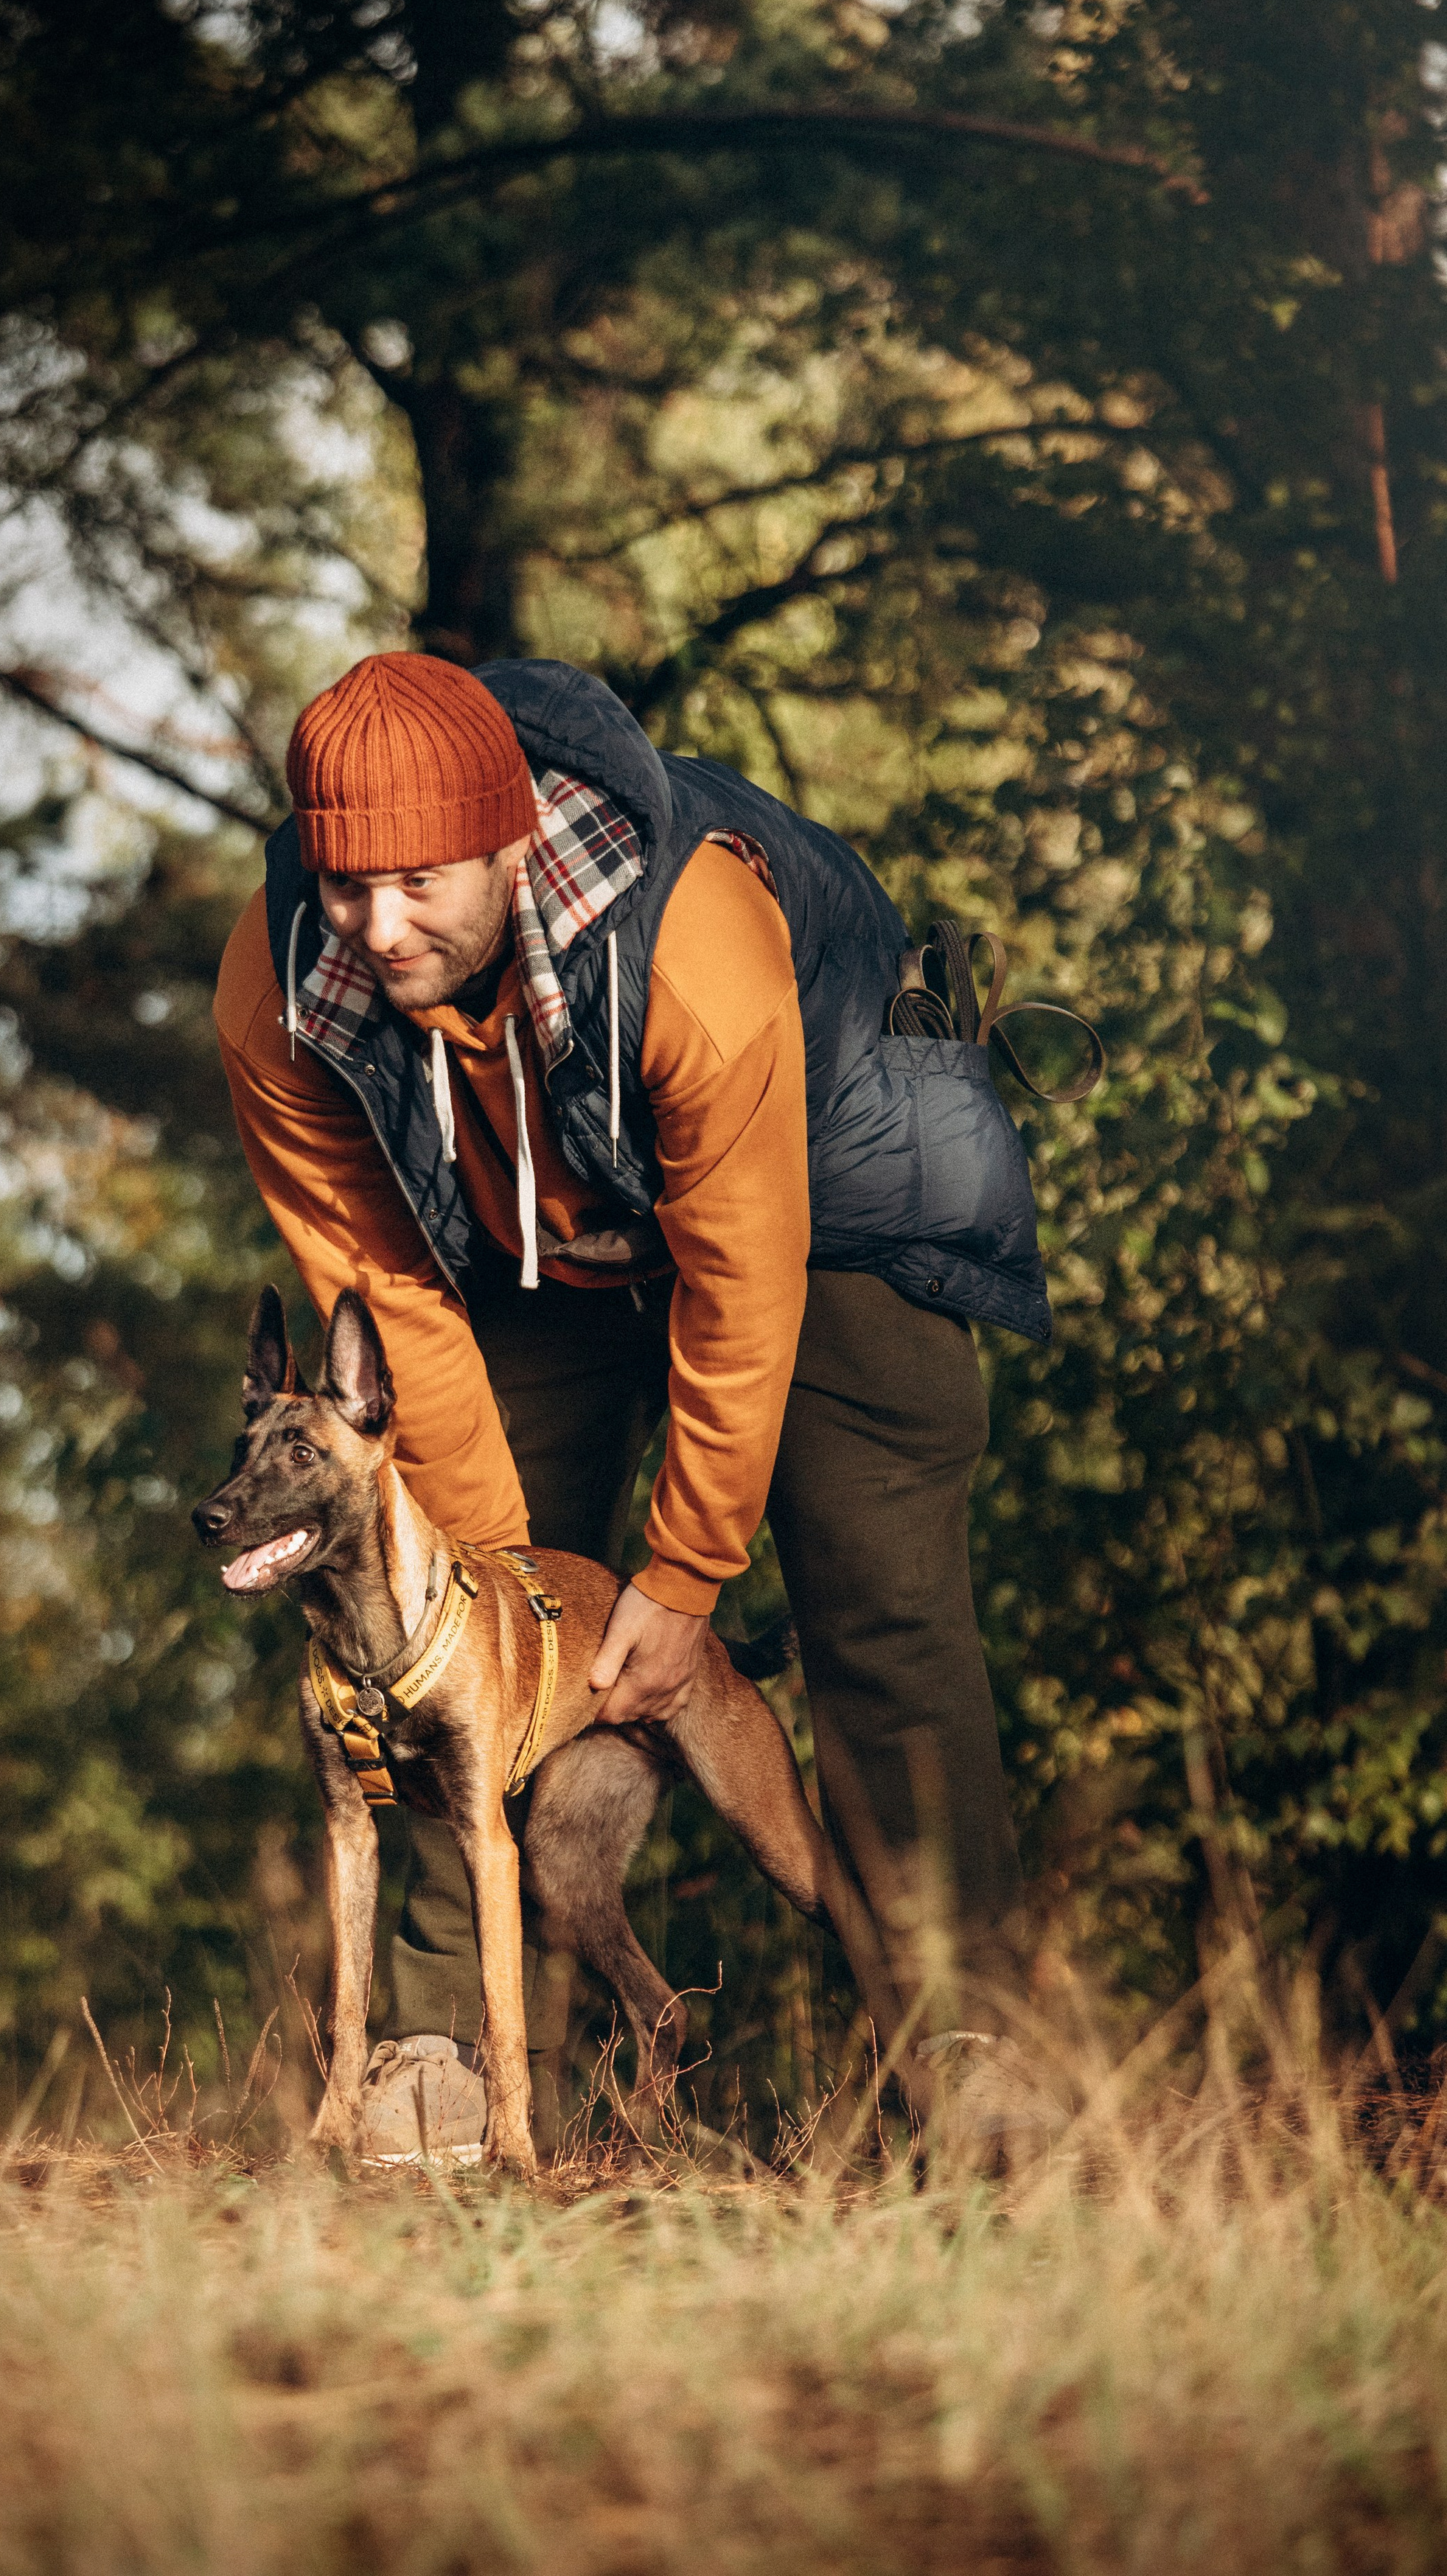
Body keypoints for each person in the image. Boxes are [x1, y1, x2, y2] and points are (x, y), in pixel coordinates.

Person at [215, 649, 1052, 2157]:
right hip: (518, 1227)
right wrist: (498, 1582)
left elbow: (741, 1278)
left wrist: (677, 1584)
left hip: (823, 1187)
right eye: (344, 884)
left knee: (878, 1589)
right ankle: (440, 2058)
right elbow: (379, 1285)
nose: (375, 926)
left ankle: (966, 2038)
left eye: (414, 883)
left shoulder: (691, 945)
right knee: (431, 1621)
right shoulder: (274, 980)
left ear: (502, 840)